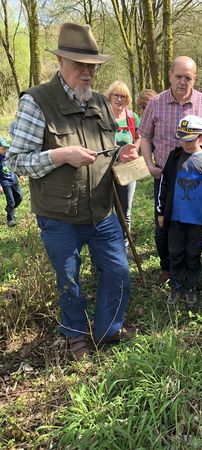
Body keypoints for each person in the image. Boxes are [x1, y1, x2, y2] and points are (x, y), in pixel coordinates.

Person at [6, 23, 139, 360]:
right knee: (69, 279)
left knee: (118, 271)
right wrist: (60, 155)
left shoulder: (99, 102)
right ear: (61, 62)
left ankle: (109, 328)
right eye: (80, 64)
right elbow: (18, 161)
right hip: (59, 215)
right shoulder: (37, 102)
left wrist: (120, 155)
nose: (88, 72)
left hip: (102, 210)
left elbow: (106, 147)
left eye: (92, 66)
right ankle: (76, 334)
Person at [138, 56, 202, 282]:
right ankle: (168, 268)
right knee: (163, 224)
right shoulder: (156, 103)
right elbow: (144, 136)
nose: (182, 82)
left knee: (195, 225)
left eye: (188, 77)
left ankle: (191, 267)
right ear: (170, 76)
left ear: (194, 79)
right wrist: (150, 165)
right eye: (178, 76)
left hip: (196, 179)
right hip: (165, 178)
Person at [157, 115, 202, 310]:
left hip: (197, 220)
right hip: (175, 217)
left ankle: (190, 285)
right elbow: (164, 184)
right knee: (175, 252)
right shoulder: (174, 156)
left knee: (193, 254)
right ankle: (176, 285)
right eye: (182, 138)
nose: (184, 143)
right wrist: (161, 211)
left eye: (190, 139)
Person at [105, 80, 141, 237]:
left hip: (127, 169)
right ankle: (108, 246)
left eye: (124, 96)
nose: (120, 99)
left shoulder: (132, 117)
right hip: (104, 169)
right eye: (116, 95)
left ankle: (124, 246)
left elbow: (141, 137)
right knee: (105, 209)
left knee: (125, 210)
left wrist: (135, 148)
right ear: (109, 97)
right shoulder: (101, 116)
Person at [0, 136, 23, 227]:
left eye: (6, 148)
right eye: (3, 149)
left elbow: (13, 166)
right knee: (11, 201)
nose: (5, 150)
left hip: (14, 180)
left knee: (19, 198)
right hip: (5, 183)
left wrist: (19, 174)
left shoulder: (8, 157)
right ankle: (10, 219)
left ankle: (9, 209)